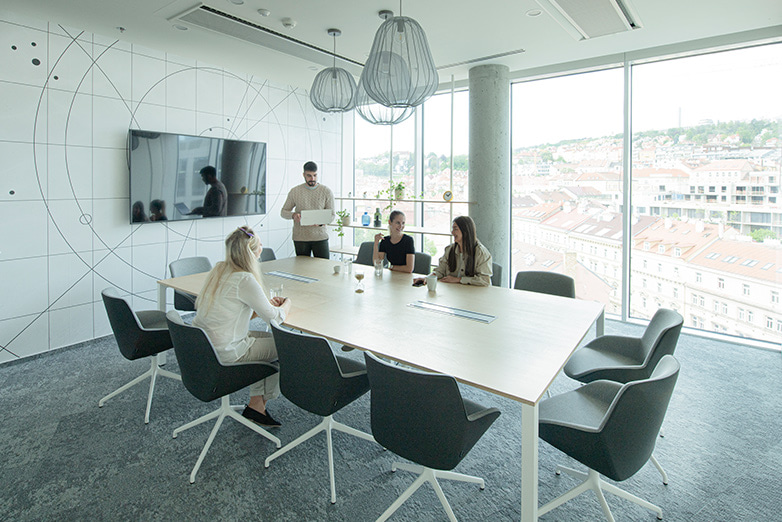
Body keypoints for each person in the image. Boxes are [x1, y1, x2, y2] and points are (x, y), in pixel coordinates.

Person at [192, 226, 292, 427]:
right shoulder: (244, 279)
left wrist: (261, 305)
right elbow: (274, 319)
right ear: (253, 252)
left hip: (206, 347)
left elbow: (235, 309)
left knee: (272, 341)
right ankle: (258, 404)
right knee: (286, 345)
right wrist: (288, 303)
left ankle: (256, 406)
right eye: (260, 245)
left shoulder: (219, 270)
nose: (262, 248)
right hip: (228, 351)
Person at [414, 215, 493, 286]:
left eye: (455, 229)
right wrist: (427, 278)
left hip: (474, 295)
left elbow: (485, 280)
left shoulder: (481, 253)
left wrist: (459, 280)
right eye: (452, 229)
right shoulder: (449, 250)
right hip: (453, 292)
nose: (452, 232)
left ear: (465, 232)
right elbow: (440, 271)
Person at [280, 161, 335, 259]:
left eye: (315, 175)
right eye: (309, 176)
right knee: (302, 269)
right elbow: (283, 212)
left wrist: (320, 223)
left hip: (320, 237)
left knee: (323, 268)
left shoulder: (326, 191)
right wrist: (293, 215)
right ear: (303, 175)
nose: (312, 179)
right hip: (300, 238)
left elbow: (332, 215)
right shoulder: (295, 191)